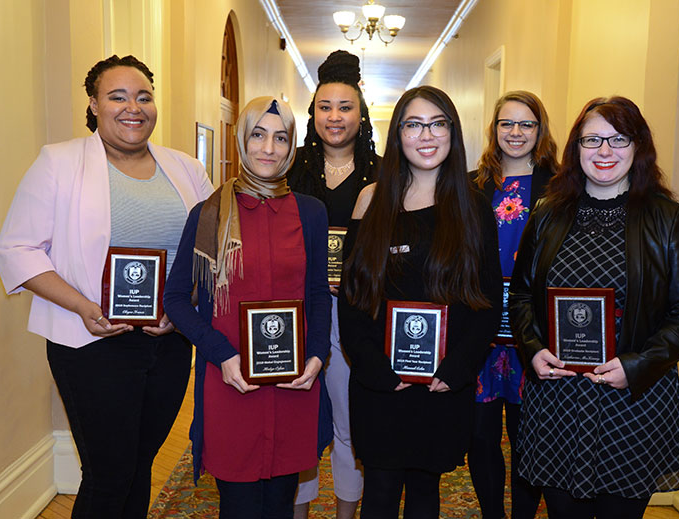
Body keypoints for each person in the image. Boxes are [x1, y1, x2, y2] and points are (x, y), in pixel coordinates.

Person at [0, 55, 214, 518]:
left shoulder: (187, 169)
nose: (132, 107)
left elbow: (211, 255)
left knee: (139, 464)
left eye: (143, 96)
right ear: (94, 105)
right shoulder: (60, 162)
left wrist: (185, 305)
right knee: (108, 475)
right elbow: (17, 250)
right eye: (117, 96)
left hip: (169, 343)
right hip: (91, 343)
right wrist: (82, 306)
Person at [509, 96, 679, 519]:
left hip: (633, 401)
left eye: (618, 140)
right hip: (559, 399)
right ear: (575, 148)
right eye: (592, 140)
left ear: (638, 147)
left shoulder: (667, 218)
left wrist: (636, 366)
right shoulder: (546, 214)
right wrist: (532, 348)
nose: (604, 151)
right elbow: (522, 295)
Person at [163, 96, 332, 519]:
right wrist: (221, 355)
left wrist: (316, 355)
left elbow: (316, 294)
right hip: (230, 383)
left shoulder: (310, 213)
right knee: (237, 508)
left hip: (294, 386)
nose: (268, 149)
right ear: (241, 140)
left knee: (279, 506)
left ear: (292, 146)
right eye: (258, 135)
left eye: (280, 138)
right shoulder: (208, 214)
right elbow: (175, 300)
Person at [339, 85, 503, 518]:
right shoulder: (370, 201)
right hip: (380, 382)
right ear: (398, 134)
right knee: (379, 492)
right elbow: (353, 297)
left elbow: (486, 301)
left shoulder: (474, 208)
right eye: (414, 124)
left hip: (442, 384)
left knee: (425, 495)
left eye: (437, 123)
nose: (426, 135)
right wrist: (374, 368)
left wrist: (458, 369)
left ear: (452, 131)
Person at [287, 49, 380, 519]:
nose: (335, 116)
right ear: (313, 113)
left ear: (360, 114)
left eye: (345, 107)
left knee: (348, 422)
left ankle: (346, 514)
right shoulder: (290, 168)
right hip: (299, 313)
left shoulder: (384, 174)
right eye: (325, 107)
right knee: (300, 422)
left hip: (356, 316)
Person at [469, 91, 558, 519]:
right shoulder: (472, 186)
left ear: (540, 131)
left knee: (529, 438)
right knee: (481, 437)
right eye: (507, 123)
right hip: (480, 331)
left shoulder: (561, 188)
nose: (516, 133)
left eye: (527, 124)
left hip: (533, 332)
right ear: (494, 129)